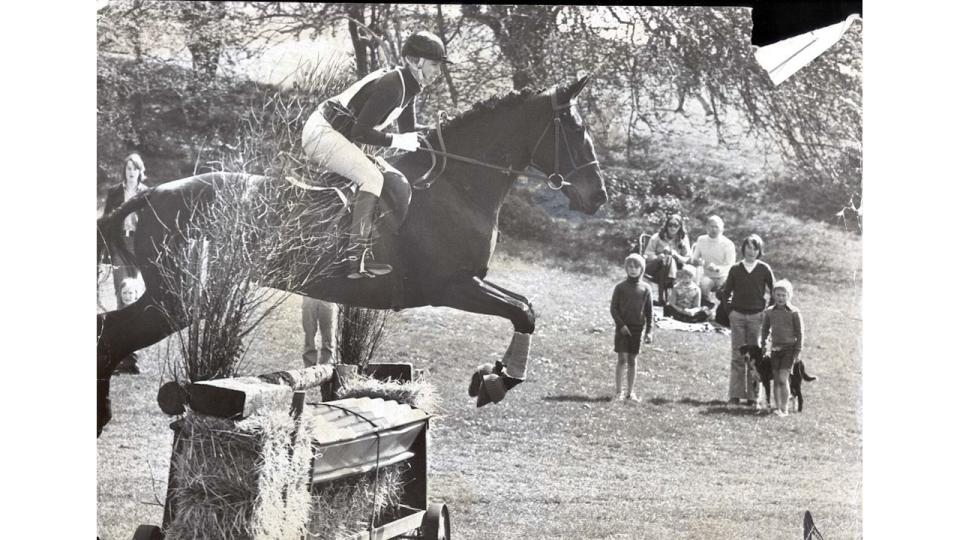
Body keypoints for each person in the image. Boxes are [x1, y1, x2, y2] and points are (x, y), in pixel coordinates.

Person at [301, 30, 451, 279]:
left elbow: (409, 132)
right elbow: (361, 132)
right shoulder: (393, 84)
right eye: (435, 64)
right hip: (323, 133)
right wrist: (396, 141)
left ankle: (366, 246)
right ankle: (354, 258)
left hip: (340, 136)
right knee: (373, 178)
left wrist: (443, 132)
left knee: (389, 176)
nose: (439, 71)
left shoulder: (410, 86)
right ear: (416, 62)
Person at [719, 234, 775, 406]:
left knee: (755, 358)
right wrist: (731, 312)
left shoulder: (764, 269)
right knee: (737, 355)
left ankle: (753, 397)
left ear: (759, 251)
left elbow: (775, 291)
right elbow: (726, 293)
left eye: (755, 248)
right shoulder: (736, 269)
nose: (751, 251)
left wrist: (767, 312)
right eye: (748, 248)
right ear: (743, 249)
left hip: (756, 317)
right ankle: (735, 394)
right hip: (738, 316)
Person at [102, 153, 149, 309]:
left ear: (140, 171)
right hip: (119, 243)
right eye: (129, 168)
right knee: (121, 287)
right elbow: (106, 220)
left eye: (135, 169)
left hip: (137, 244)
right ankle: (121, 326)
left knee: (134, 288)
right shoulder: (114, 192)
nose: (131, 172)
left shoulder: (146, 192)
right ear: (124, 170)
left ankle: (133, 326)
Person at [610, 254, 654, 402]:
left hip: (637, 329)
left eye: (637, 267)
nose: (633, 270)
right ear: (626, 268)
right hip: (622, 328)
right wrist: (621, 325)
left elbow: (649, 312)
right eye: (630, 267)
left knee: (632, 360)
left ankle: (630, 392)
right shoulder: (620, 287)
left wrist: (649, 331)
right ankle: (618, 392)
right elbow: (613, 308)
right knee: (621, 359)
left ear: (642, 269)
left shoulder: (646, 288)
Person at [761, 279, 804, 417]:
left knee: (782, 378)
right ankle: (777, 407)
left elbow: (800, 333)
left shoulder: (794, 312)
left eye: (783, 295)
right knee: (776, 378)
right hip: (775, 349)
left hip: (789, 350)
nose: (780, 298)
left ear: (789, 296)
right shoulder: (769, 312)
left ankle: (784, 409)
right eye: (778, 295)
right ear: (773, 295)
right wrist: (763, 345)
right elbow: (765, 329)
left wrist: (797, 351)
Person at [642, 214, 691, 305]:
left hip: (673, 270)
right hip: (655, 268)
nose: (673, 228)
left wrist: (676, 255)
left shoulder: (683, 239)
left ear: (680, 227)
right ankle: (668, 294)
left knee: (669, 261)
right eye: (670, 225)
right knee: (667, 260)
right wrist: (658, 257)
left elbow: (687, 259)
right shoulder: (657, 237)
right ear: (666, 225)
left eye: (676, 225)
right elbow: (647, 254)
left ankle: (662, 299)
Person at [689, 215, 737, 306]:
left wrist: (717, 268)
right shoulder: (701, 240)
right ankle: (705, 309)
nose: (714, 229)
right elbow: (694, 259)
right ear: (707, 227)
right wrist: (698, 262)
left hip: (723, 276)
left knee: (725, 290)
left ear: (722, 229)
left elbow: (731, 266)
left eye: (717, 227)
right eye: (711, 226)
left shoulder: (728, 244)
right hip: (707, 275)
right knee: (704, 284)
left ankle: (723, 311)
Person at [115, 277, 145, 374]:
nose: (127, 296)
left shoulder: (138, 311)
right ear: (120, 294)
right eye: (124, 293)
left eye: (130, 293)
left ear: (136, 294)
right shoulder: (119, 310)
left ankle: (129, 364)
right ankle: (119, 365)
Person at [302, 296, 338, 366]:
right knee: (309, 332)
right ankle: (310, 366)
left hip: (328, 295)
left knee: (328, 333)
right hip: (309, 294)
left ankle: (327, 365)